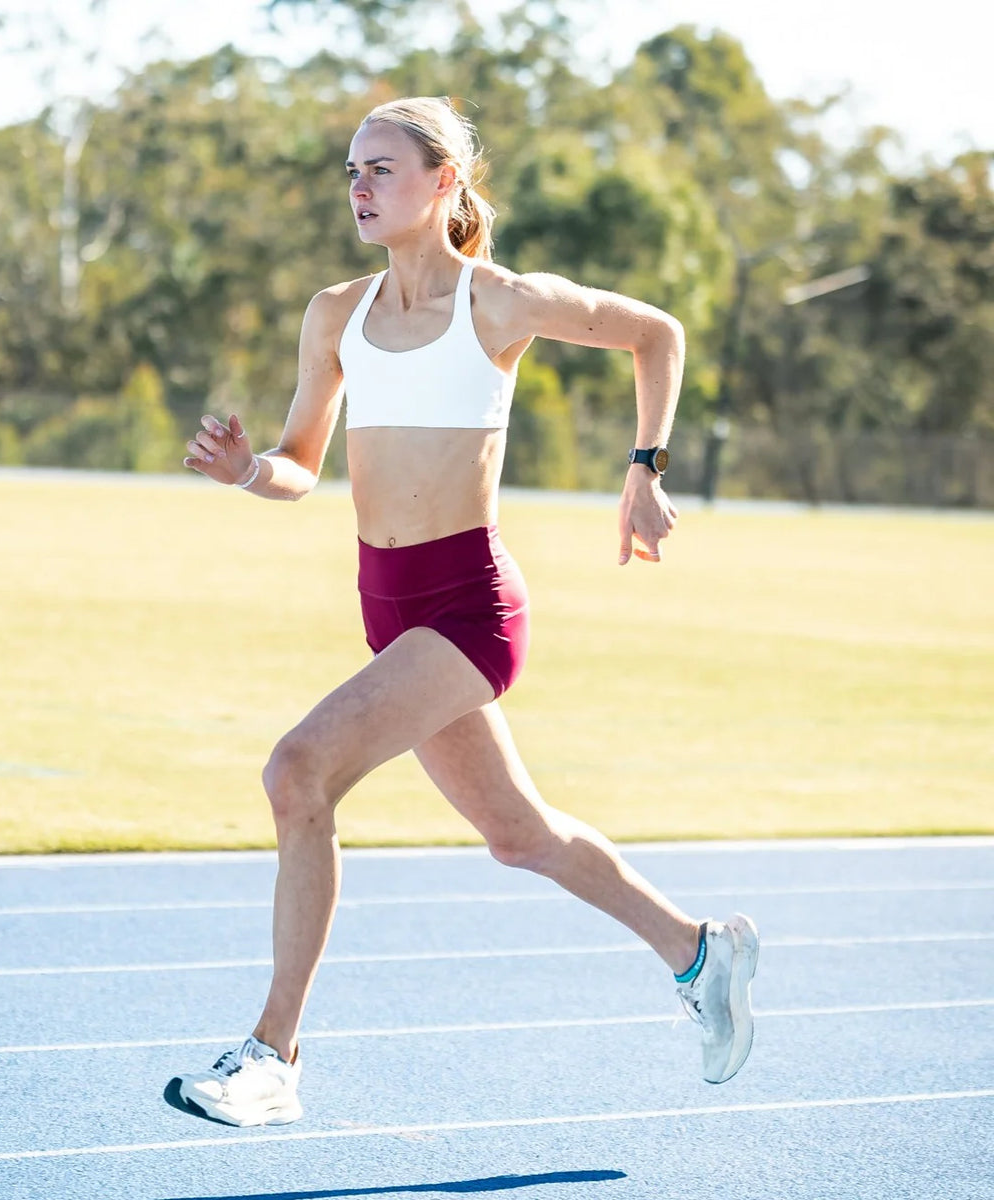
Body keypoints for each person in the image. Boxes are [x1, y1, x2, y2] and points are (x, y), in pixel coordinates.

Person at [171, 96, 759, 1128]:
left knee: (297, 772)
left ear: (444, 181)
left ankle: (272, 1057)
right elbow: (301, 466)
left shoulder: (501, 302)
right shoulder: (335, 314)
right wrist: (246, 470)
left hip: (468, 606)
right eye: (352, 171)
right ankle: (697, 951)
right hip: (388, 609)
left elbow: (655, 335)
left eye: (382, 169)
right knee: (520, 836)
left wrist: (643, 471)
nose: (359, 188)